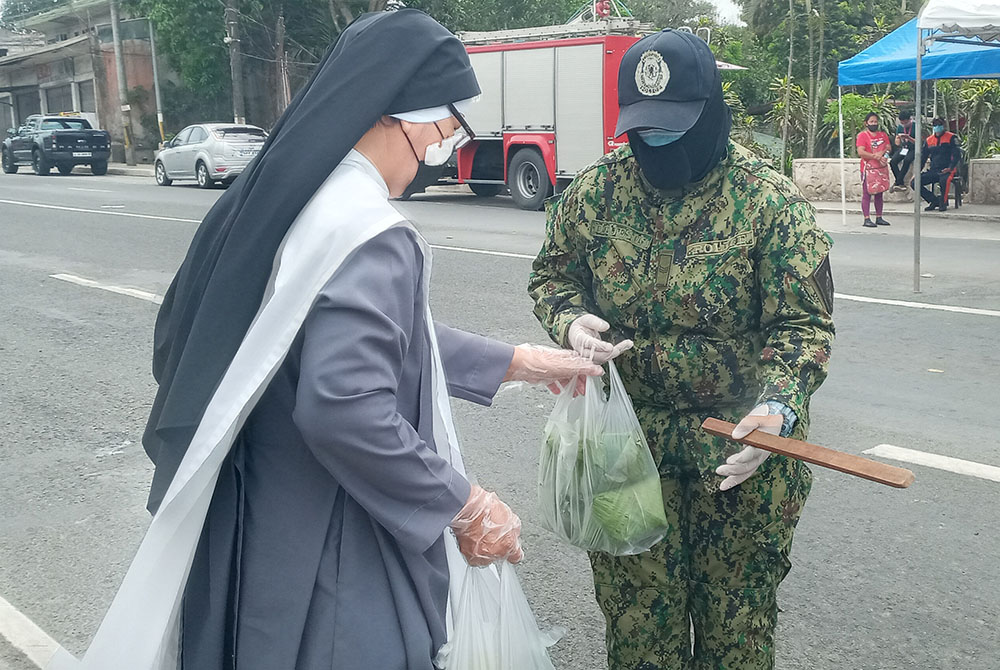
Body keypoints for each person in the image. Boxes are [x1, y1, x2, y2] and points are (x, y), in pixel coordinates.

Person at [50, 11, 602, 670]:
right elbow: (344, 405)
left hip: (262, 514)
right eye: (450, 126)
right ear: (404, 117)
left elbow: (375, 335)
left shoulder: (295, 199)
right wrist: (463, 503)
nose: (450, 145)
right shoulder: (372, 233)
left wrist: (518, 362)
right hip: (334, 539)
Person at [528, 28, 835, 670]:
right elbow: (551, 276)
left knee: (736, 633)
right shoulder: (595, 194)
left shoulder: (768, 202)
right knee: (639, 629)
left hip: (737, 455)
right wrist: (571, 322)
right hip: (625, 452)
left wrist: (777, 411)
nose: (658, 145)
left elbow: (803, 326)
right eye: (645, 130)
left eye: (675, 128)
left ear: (712, 111)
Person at [912, 117, 962, 211]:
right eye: (935, 125)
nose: (937, 127)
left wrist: (950, 167)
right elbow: (923, 158)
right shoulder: (929, 140)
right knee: (915, 183)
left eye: (939, 125)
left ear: (943, 126)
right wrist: (917, 173)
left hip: (948, 169)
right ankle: (934, 201)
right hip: (934, 170)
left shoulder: (951, 137)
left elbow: (957, 155)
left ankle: (943, 203)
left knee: (944, 181)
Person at [856, 112, 892, 228]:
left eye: (875, 121)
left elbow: (888, 148)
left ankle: (879, 217)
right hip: (868, 168)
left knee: (879, 193)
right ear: (866, 123)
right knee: (867, 193)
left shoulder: (883, 135)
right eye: (871, 122)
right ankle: (866, 218)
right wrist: (875, 156)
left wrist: (883, 156)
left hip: (881, 167)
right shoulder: (862, 136)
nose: (874, 124)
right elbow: (861, 152)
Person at [890, 109, 915, 191]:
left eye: (905, 123)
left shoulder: (915, 126)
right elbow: (897, 144)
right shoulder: (900, 127)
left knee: (907, 160)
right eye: (902, 123)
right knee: (893, 161)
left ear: (909, 119)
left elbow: (919, 142)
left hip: (914, 148)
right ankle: (900, 182)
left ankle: (897, 182)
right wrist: (898, 138)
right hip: (904, 147)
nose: (904, 125)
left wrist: (908, 138)